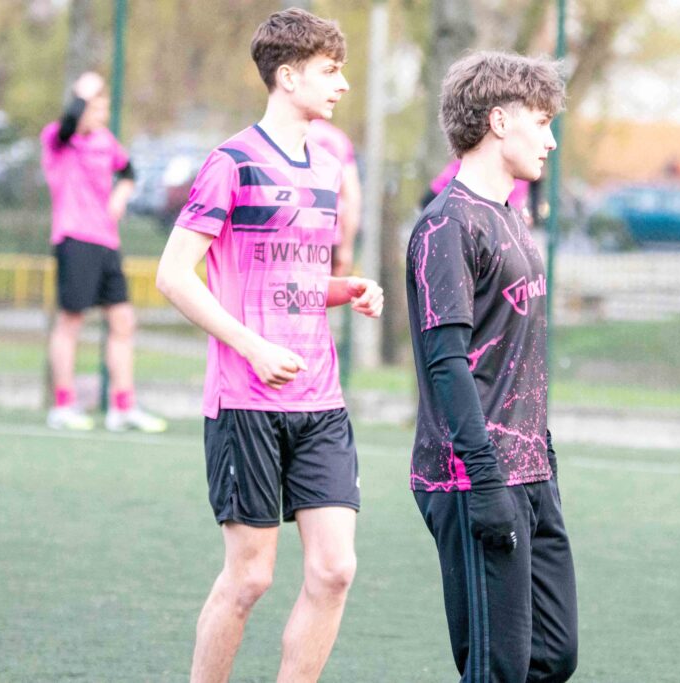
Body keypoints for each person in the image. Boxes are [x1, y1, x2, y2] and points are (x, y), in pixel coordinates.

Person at [155, 9, 383, 683]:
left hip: (320, 400)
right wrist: (252, 347)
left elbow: (291, 278)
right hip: (246, 401)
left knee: (335, 568)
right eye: (329, 71)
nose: (342, 84)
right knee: (250, 578)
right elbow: (174, 275)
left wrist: (344, 289)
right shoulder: (231, 163)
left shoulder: (328, 166)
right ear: (287, 76)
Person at [405, 51, 578, 682]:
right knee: (497, 669)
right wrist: (484, 482)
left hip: (530, 470)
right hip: (473, 478)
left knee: (551, 656)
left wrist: (542, 459)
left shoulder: (507, 216)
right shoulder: (447, 225)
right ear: (500, 121)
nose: (551, 141)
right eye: (542, 122)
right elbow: (447, 363)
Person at [40, 71, 167, 433]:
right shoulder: (58, 139)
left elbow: (128, 172)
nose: (101, 114)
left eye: (103, 107)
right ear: (80, 106)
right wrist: (81, 94)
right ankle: (63, 405)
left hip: (106, 242)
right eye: (95, 107)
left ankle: (122, 407)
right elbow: (68, 123)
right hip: (74, 238)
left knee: (123, 321)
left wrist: (120, 196)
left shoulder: (105, 141)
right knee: (70, 322)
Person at [307, 119, 361, 276]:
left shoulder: (281, 135)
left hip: (286, 240)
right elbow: (351, 196)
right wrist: (346, 248)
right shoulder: (337, 139)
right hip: (328, 238)